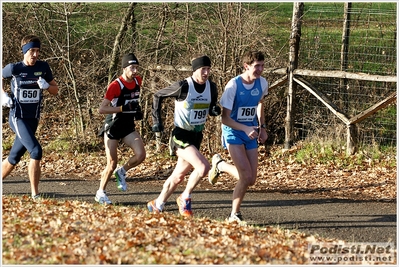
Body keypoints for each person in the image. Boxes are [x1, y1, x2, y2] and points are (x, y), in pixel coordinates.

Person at [147, 54, 221, 217]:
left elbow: (211, 106)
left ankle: (157, 203)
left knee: (179, 175)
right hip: (180, 135)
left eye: (209, 69)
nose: (206, 73)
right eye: (203, 69)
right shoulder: (184, 86)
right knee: (203, 167)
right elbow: (158, 96)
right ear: (195, 70)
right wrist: (156, 121)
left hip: (196, 136)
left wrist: (213, 110)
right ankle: (184, 197)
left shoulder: (212, 87)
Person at [208, 50, 269, 224]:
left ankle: (219, 165)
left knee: (251, 179)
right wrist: (244, 127)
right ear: (246, 66)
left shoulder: (262, 83)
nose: (260, 70)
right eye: (257, 66)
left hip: (250, 131)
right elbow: (225, 118)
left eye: (263, 66)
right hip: (233, 131)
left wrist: (262, 127)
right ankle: (234, 214)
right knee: (245, 176)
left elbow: (260, 104)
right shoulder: (233, 86)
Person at [2, 35, 59, 200]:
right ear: (24, 51)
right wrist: (3, 95)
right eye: (32, 51)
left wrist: (47, 86)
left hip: (33, 118)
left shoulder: (43, 67)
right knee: (36, 150)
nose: (35, 54)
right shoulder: (14, 68)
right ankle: (35, 194)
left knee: (14, 157)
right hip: (17, 117)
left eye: (37, 51)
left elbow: (55, 90)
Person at [95, 53, 146, 205]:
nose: (135, 71)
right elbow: (102, 109)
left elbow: (133, 100)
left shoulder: (138, 80)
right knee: (111, 163)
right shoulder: (116, 85)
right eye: (132, 68)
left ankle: (122, 172)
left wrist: (136, 110)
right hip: (113, 126)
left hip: (128, 126)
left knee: (141, 155)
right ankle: (100, 193)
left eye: (136, 67)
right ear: (124, 68)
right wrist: (123, 108)